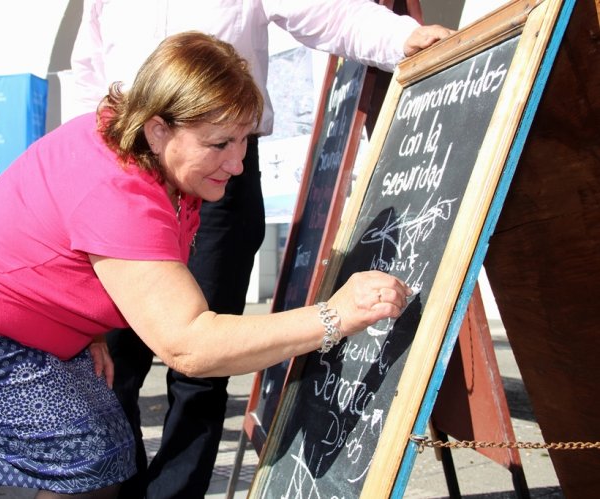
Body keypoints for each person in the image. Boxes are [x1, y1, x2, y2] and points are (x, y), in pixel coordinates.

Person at [0, 32, 411, 498]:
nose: (238, 162)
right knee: (87, 457)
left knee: (105, 447)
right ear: (159, 128)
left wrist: (85, 328)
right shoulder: (120, 188)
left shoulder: (131, 138)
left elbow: (48, 239)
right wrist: (334, 317)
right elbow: (189, 344)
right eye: (220, 143)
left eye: (245, 139)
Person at [70, 1, 453, 496]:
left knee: (205, 361)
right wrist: (89, 159)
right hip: (125, 169)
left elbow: (323, 10)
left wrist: (400, 37)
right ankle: (117, 486)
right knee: (111, 354)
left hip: (217, 172)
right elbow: (88, 73)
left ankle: (175, 493)